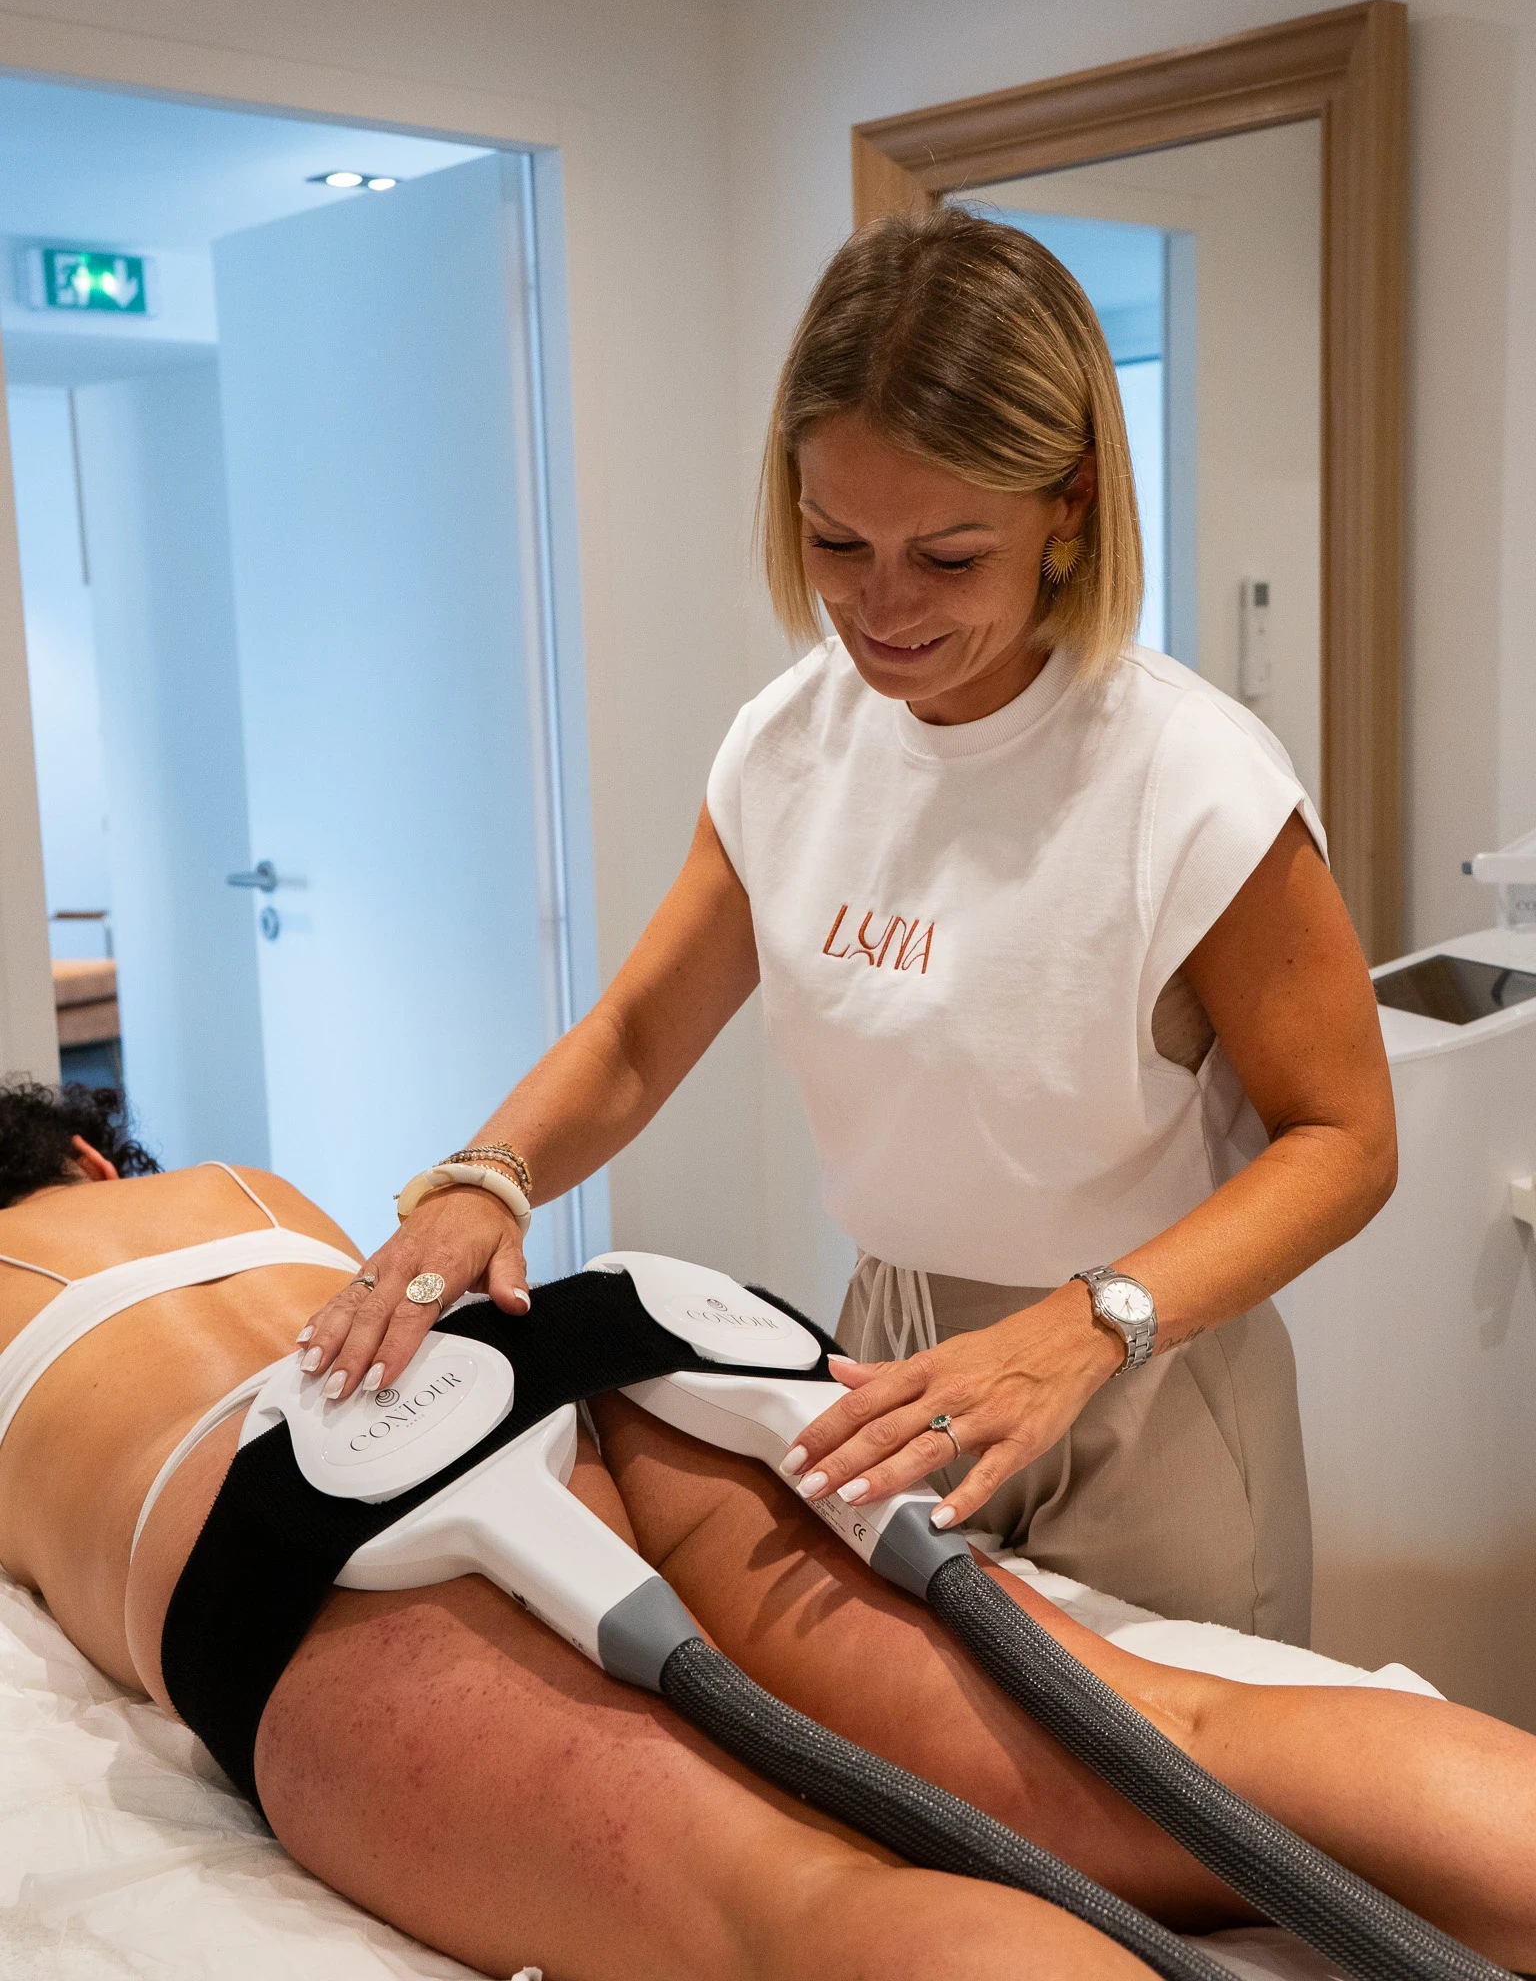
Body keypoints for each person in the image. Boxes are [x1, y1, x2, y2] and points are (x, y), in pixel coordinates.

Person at [309, 205, 1396, 1643]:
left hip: (1142, 1377)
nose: (882, 608)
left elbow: (1347, 1141)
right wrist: (488, 1178)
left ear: (1070, 504)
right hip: (887, 1352)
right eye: (837, 541)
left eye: (948, 557)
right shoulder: (790, 746)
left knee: (1170, 1779)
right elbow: (638, 1036)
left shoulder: (1189, 780)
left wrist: (1085, 1329)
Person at [1, 1081, 1534, 1981]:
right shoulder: (237, 1188)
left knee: (802, 1912)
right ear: (90, 1160)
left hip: (301, 1505)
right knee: (1181, 1739)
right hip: (613, 1333)